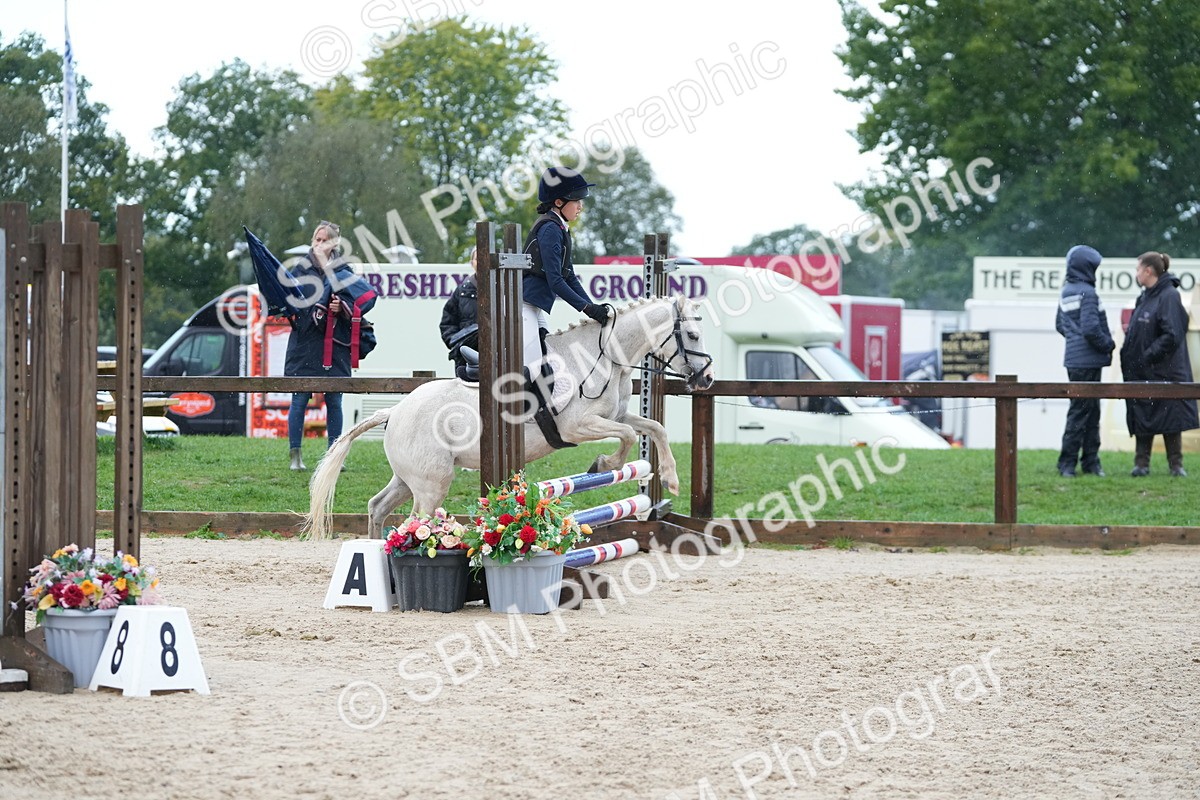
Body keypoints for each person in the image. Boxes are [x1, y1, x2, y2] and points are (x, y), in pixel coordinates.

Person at [521, 166, 609, 416]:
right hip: (521, 305)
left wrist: (593, 307)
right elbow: (556, 281)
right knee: (534, 367)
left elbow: (569, 274)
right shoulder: (549, 229)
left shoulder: (559, 227)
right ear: (558, 202)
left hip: (533, 306)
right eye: (576, 200)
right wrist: (586, 308)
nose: (580, 206)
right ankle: (521, 416)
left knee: (548, 360)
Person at [1120, 251, 1199, 477]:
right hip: (1145, 371)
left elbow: (1172, 334)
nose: (1136, 274)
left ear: (1148, 271)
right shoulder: (1145, 297)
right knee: (1144, 414)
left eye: (1138, 269)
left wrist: (1147, 355)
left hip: (1166, 371)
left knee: (1170, 416)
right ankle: (1141, 464)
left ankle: (1176, 465)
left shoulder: (1169, 295)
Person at [284, 220, 352, 471]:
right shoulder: (300, 267)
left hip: (334, 344)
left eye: (324, 239)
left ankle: (334, 457)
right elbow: (290, 299)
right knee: (299, 399)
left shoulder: (344, 269)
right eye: (317, 238)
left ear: (334, 242)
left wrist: (340, 307)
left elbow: (356, 301)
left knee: (334, 401)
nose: (319, 243)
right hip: (305, 342)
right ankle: (295, 456)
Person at [1054, 245, 1115, 477]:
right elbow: (1091, 329)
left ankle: (1075, 462)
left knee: (1080, 410)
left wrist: (1074, 342)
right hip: (1089, 360)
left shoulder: (1066, 291)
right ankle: (1081, 462)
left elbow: (1059, 325)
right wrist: (1108, 344)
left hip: (1073, 360)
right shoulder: (1088, 293)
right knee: (1087, 412)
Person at [440, 247, 479, 380]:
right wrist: (456, 343)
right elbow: (447, 322)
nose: (482, 261)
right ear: (472, 263)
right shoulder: (461, 291)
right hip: (465, 359)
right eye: (477, 258)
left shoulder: (502, 288)